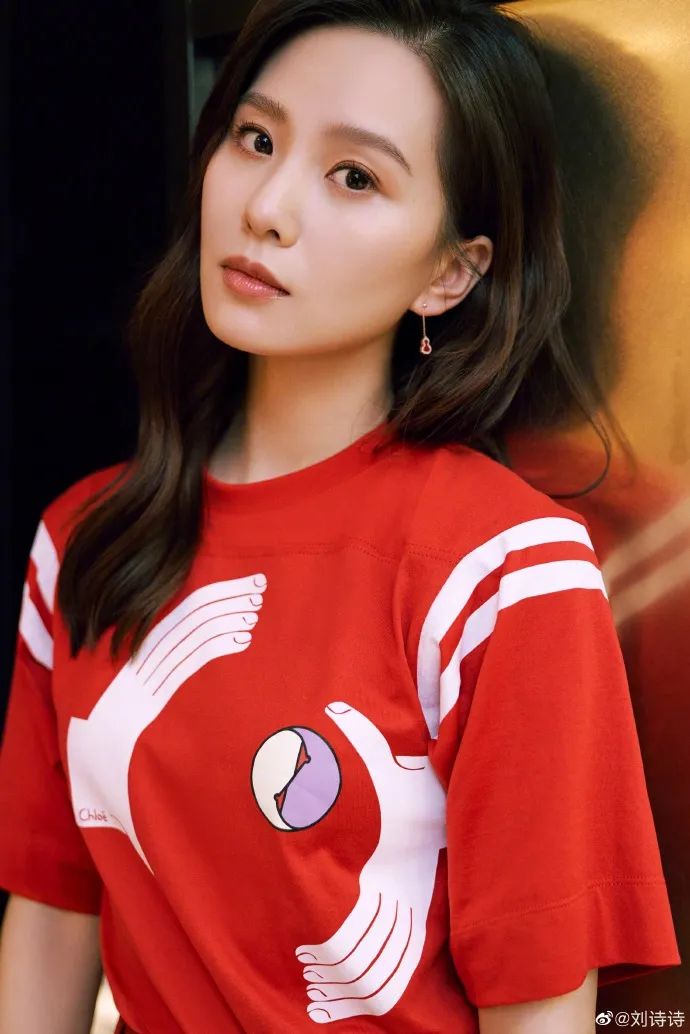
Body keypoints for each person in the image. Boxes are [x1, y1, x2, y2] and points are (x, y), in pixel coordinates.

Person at [0, 0, 681, 1031]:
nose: (268, 206)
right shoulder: (84, 538)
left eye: (355, 176)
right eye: (255, 138)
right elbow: (55, 908)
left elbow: (538, 1003)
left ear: (451, 272)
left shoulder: (506, 570)